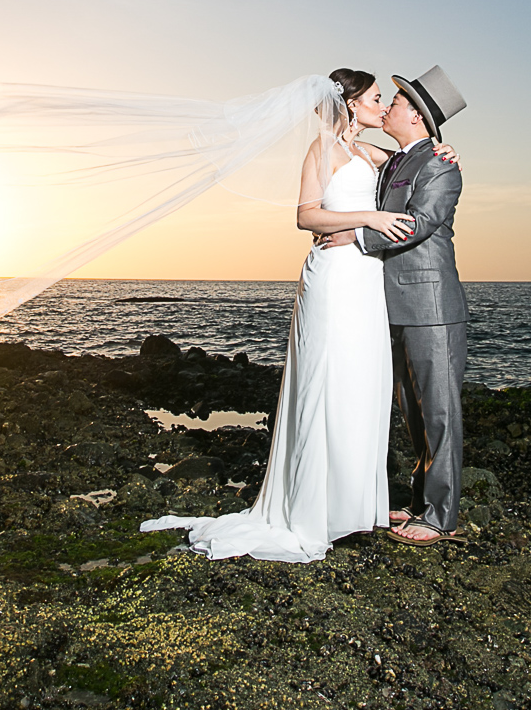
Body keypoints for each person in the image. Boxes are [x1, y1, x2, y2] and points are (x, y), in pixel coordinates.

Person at [141, 67, 452, 562]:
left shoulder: (373, 154)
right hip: (333, 276)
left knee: (361, 383)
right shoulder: (322, 149)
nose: (381, 105)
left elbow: (416, 163)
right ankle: (315, 507)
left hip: (367, 280)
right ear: (351, 104)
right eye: (375, 98)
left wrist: (442, 148)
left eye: (385, 100)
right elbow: (306, 216)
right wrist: (368, 218)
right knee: (325, 379)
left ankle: (355, 505)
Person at [324, 65, 468, 546]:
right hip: (392, 305)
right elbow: (349, 148)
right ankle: (419, 503)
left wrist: (354, 236)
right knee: (411, 410)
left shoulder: (440, 166)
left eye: (400, 101)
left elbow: (420, 222)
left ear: (420, 119)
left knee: (440, 412)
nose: (390, 106)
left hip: (431, 305)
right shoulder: (397, 161)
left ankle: (441, 516)